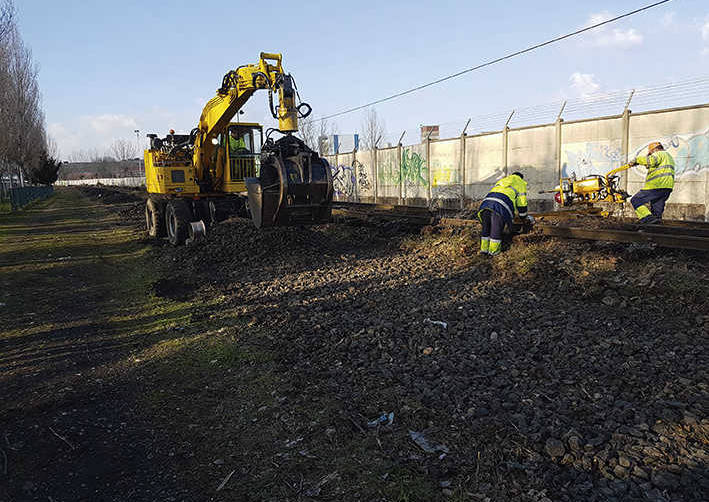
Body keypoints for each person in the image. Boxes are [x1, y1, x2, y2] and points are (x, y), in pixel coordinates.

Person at [477, 172, 534, 256]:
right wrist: (523, 217)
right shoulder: (520, 183)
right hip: (500, 206)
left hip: (485, 204)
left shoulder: (503, 180)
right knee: (495, 231)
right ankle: (493, 254)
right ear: (521, 178)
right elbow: (522, 203)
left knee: (486, 229)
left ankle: (483, 252)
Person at [628, 142, 675, 224]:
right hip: (667, 188)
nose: (650, 155)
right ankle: (655, 228)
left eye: (650, 153)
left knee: (636, 200)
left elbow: (651, 161)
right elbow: (653, 164)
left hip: (656, 186)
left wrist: (636, 160)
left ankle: (647, 218)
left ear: (654, 149)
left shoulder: (659, 153)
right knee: (657, 211)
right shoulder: (669, 157)